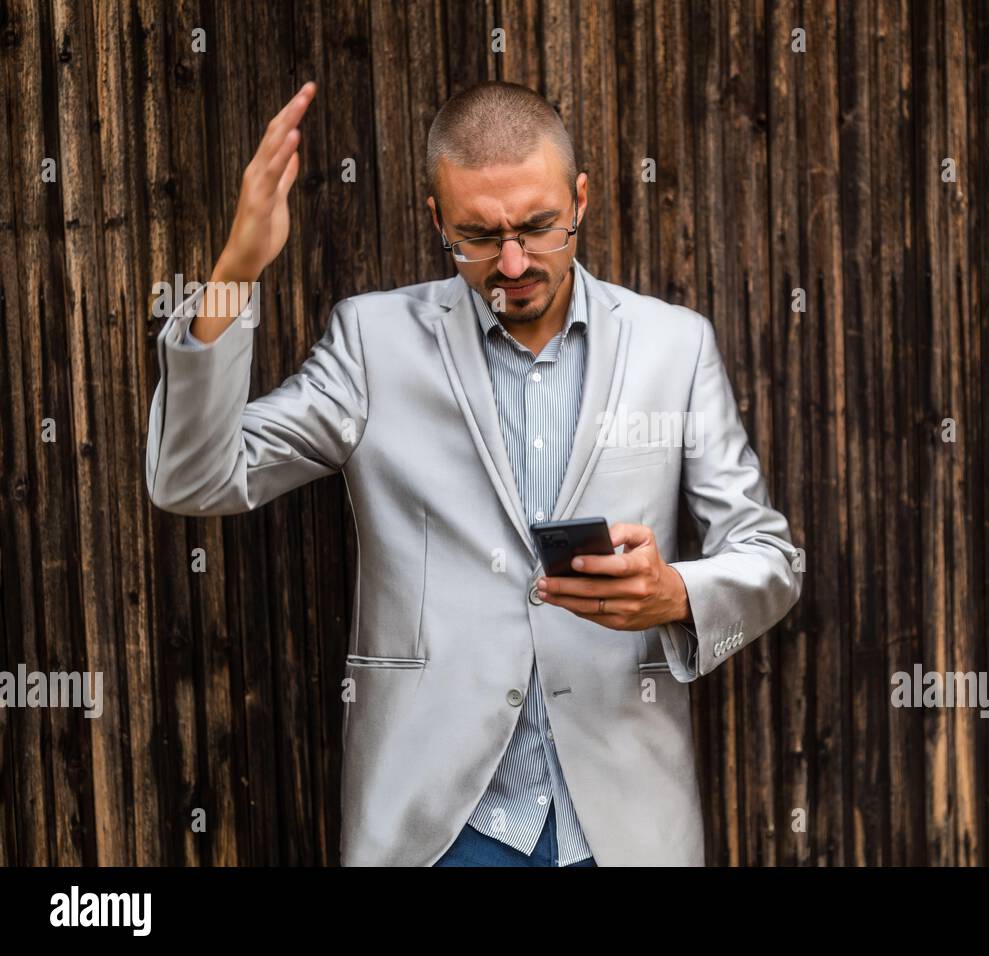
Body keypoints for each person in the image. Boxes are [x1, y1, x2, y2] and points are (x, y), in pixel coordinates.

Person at [145, 79, 802, 866]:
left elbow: (770, 557)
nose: (514, 263)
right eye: (478, 237)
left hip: (623, 827)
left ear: (581, 199)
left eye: (538, 227)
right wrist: (238, 267)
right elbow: (193, 478)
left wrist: (679, 597)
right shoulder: (371, 342)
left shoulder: (675, 345)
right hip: (434, 828)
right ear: (435, 219)